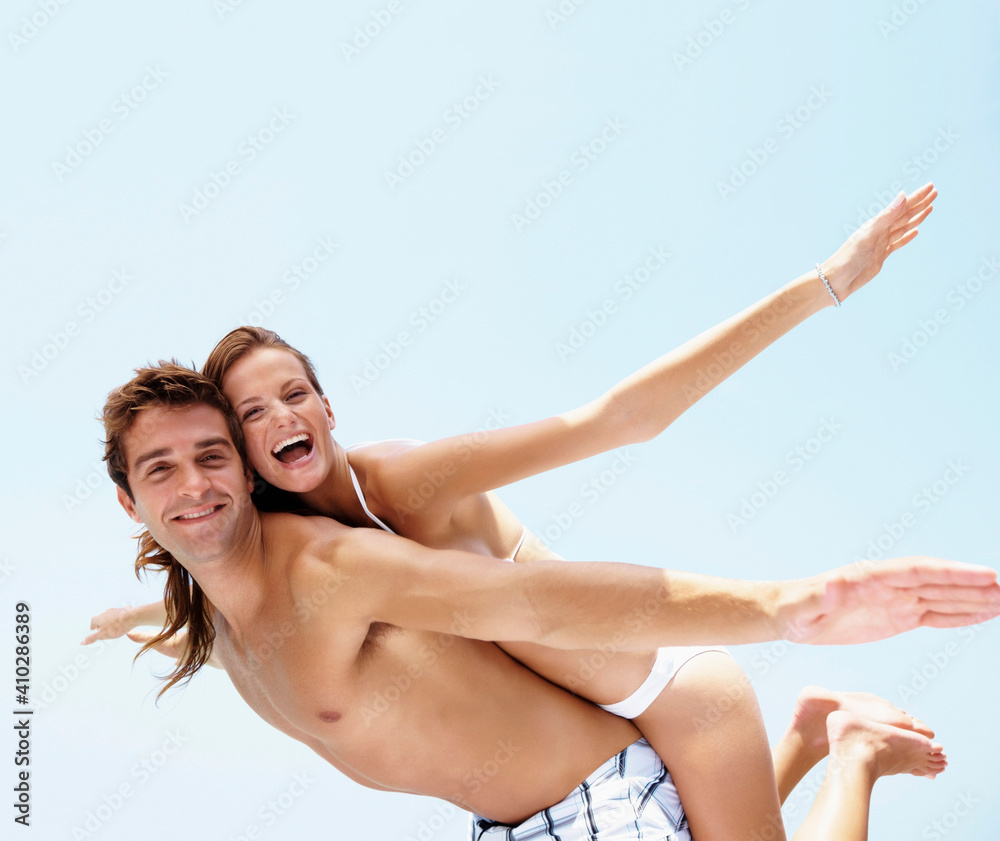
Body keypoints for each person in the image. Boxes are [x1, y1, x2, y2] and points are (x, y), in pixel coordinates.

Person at [89, 184, 972, 839]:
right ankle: (815, 733)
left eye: (296, 393)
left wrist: (825, 282)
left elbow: (620, 420)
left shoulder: (397, 485)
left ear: (328, 404)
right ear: (244, 459)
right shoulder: (280, 553)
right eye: (250, 414)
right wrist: (156, 602)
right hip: (580, 747)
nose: (282, 418)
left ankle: (845, 747)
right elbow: (221, 569)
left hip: (662, 683)